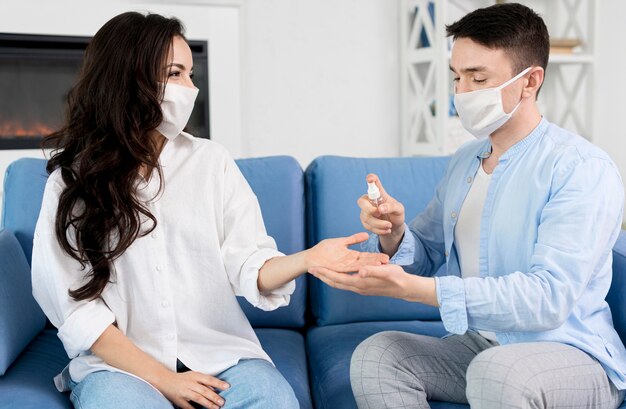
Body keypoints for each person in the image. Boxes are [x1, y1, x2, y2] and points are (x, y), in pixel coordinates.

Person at [31, 11, 388, 409]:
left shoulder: (211, 161)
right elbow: (76, 309)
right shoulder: (71, 181)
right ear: (128, 78)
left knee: (274, 401)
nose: (190, 88)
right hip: (121, 369)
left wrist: (309, 258)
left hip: (219, 357)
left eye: (191, 75)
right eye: (174, 74)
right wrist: (166, 381)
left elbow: (248, 261)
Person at [310, 3, 626, 408]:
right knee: (379, 354)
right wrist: (393, 233)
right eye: (457, 77)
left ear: (530, 82)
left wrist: (422, 292)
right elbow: (422, 255)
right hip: (482, 345)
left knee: (497, 370)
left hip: (571, 354)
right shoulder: (465, 162)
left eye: (479, 78)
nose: (462, 92)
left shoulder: (580, 168)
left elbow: (548, 299)